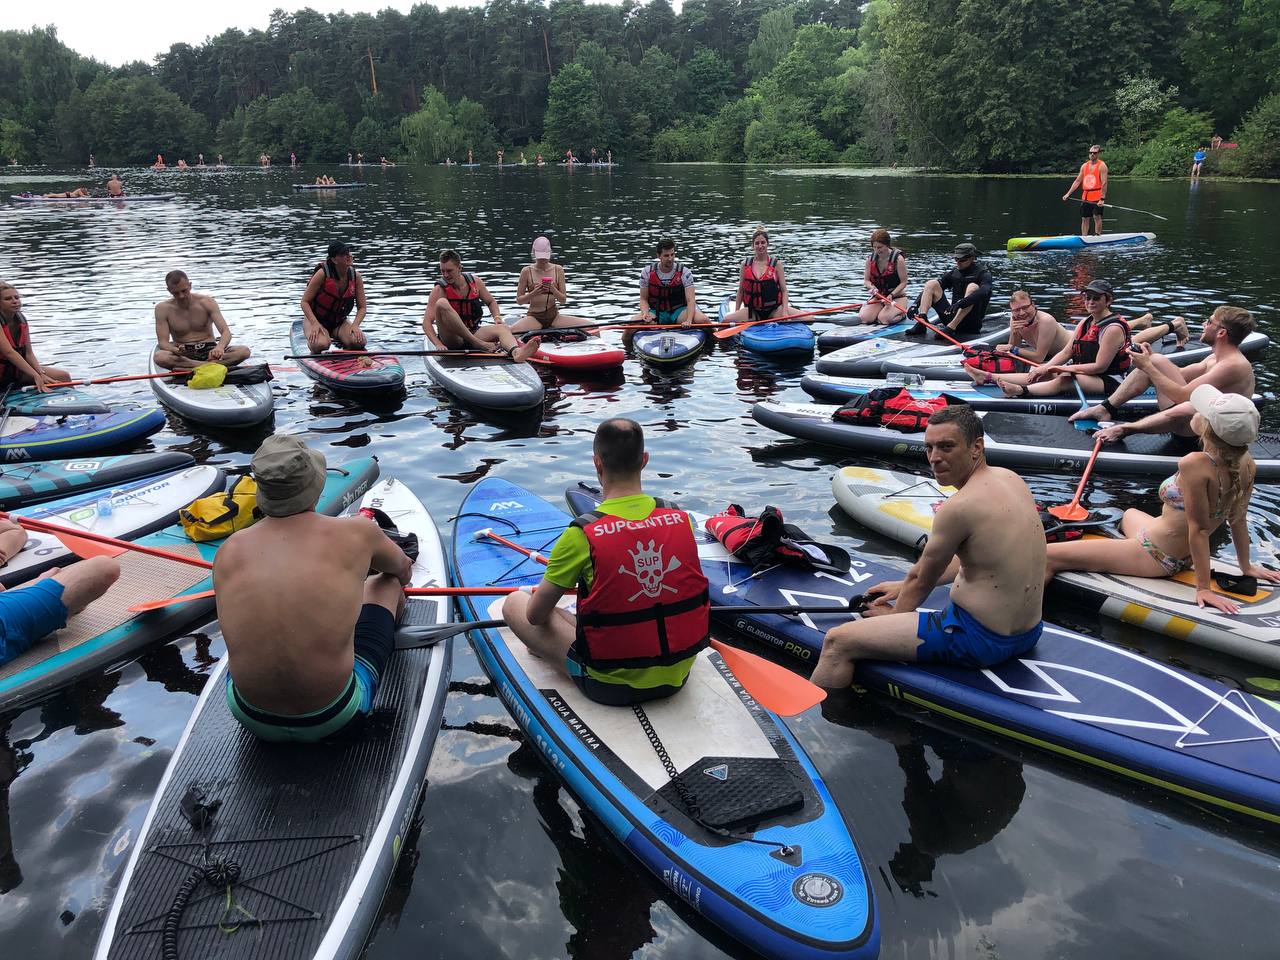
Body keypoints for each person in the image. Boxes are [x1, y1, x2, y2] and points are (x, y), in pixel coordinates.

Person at [811, 405, 1045, 688]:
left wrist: (894, 618)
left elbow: (921, 580)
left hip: (976, 640)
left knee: (837, 641)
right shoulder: (1011, 479)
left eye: (946, 447)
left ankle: (825, 721)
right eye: (929, 448)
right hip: (1029, 633)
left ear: (977, 446)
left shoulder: (959, 507)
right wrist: (901, 586)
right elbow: (983, 558)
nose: (934, 458)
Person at [215, 436, 414, 742]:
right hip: (334, 717)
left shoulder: (229, 549)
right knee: (385, 584)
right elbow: (402, 570)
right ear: (316, 486)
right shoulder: (358, 532)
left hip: (248, 714)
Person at [502, 418, 710, 705]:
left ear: (597, 463)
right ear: (645, 460)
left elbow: (535, 617)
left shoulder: (581, 534)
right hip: (679, 673)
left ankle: (556, 656)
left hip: (608, 685)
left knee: (515, 602)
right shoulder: (678, 517)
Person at [1047, 386, 1279, 612]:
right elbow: (1237, 520)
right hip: (1180, 551)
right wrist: (1246, 566)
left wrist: (1203, 589)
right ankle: (1110, 548)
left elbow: (1197, 529)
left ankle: (1020, 626)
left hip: (1155, 555)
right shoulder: (1247, 462)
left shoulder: (1194, 463)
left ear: (1208, 428)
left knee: (1047, 557)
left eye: (1201, 412)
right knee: (1128, 514)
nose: (1194, 411)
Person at [1073, 305, 1258, 443]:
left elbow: (1183, 395)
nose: (1204, 324)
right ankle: (1105, 409)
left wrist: (1148, 367)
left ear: (1222, 333)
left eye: (1209, 322)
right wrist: (1150, 359)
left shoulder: (1232, 365)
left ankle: (1125, 429)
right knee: (1158, 361)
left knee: (1186, 406)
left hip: (1207, 433)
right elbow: (1181, 374)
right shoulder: (1214, 358)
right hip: (1194, 419)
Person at [994, 279, 1132, 400]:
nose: (1090, 302)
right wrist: (1047, 368)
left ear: (1108, 300)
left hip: (1110, 379)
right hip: (1088, 374)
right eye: (1088, 297)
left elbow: (1100, 367)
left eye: (1096, 298)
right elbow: (1066, 353)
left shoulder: (1112, 329)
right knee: (1041, 373)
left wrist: (1064, 368)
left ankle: (1021, 391)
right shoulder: (1084, 322)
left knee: (1064, 379)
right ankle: (989, 377)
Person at [0, 555, 120, 667]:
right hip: (10, 616)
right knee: (104, 566)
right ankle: (42, 591)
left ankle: (41, 590)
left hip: (11, 612)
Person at [423, 249, 540, 360]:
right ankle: (479, 344)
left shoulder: (475, 283)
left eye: (449, 271)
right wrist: (438, 343)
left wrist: (497, 317)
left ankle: (516, 352)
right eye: (442, 271)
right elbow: (426, 323)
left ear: (459, 268)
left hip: (474, 332)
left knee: (503, 328)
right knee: (441, 303)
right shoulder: (439, 290)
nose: (445, 275)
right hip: (453, 339)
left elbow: (491, 301)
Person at [962, 290, 1072, 383]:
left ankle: (988, 378)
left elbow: (1038, 358)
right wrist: (1014, 332)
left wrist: (1012, 348)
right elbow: (1012, 351)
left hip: (1070, 354)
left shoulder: (1045, 321)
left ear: (1033, 305)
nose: (1022, 313)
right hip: (1049, 355)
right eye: (1016, 310)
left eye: (1025, 307)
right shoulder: (1015, 319)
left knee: (1038, 374)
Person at [153, 270, 252, 370]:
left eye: (184, 291)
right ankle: (211, 366)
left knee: (244, 351)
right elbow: (163, 343)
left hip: (210, 351)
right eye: (176, 293)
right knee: (160, 357)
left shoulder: (207, 302)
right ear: (169, 290)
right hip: (184, 354)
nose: (181, 296)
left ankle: (193, 367)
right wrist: (175, 350)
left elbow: (226, 332)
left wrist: (220, 347)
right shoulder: (162, 309)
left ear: (190, 286)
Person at [906, 242, 992, 338]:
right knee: (932, 283)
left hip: (971, 323)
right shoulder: (954, 273)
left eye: (962, 259)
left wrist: (961, 303)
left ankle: (951, 328)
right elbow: (932, 289)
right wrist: (915, 305)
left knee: (973, 287)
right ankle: (922, 323)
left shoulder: (983, 274)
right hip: (950, 316)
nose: (958, 262)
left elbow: (985, 291)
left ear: (972, 258)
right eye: (956, 259)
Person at [0, 282, 71, 392]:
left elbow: (28, 353)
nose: (14, 301)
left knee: (63, 376)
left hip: (15, 371)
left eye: (16, 297)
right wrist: (35, 375)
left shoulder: (21, 320)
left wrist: (40, 373)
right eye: (8, 299)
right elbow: (9, 353)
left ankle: (75, 405)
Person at [511, 236, 589, 333]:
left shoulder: (558, 269)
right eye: (540, 257)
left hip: (554, 317)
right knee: (512, 331)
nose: (543, 260)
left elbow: (563, 300)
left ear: (550, 253)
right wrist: (533, 293)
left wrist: (553, 289)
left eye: (545, 257)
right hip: (534, 317)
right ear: (534, 254)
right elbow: (519, 301)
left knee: (591, 326)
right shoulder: (526, 271)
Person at [301, 241, 368, 352]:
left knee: (358, 342)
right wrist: (315, 323)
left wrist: (355, 325)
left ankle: (340, 338)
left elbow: (362, 308)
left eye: (348, 252)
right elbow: (304, 302)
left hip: (339, 322)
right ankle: (316, 340)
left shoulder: (356, 277)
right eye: (343, 254)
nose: (348, 256)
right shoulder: (322, 274)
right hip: (316, 320)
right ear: (334, 260)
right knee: (320, 345)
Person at [720, 228, 792, 325]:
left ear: (767, 244)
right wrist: (737, 312)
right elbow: (741, 290)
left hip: (774, 311)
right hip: (752, 312)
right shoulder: (745, 264)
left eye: (763, 242)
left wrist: (785, 311)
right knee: (726, 320)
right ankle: (716, 338)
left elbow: (784, 290)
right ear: (753, 246)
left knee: (809, 317)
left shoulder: (776, 264)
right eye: (757, 243)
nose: (760, 246)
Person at [632, 238, 709, 327]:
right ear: (659, 256)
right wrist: (645, 314)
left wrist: (689, 320)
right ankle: (626, 340)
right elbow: (643, 299)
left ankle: (716, 338)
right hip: (657, 313)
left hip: (679, 312)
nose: (670, 258)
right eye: (666, 255)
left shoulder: (685, 272)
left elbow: (690, 300)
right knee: (632, 324)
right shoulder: (647, 272)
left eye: (672, 254)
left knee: (703, 320)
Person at [857, 228, 908, 324]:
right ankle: (878, 312)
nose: (876, 250)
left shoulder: (898, 259)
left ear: (887, 245)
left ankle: (901, 314)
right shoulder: (870, 259)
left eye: (879, 247)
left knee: (884, 319)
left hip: (897, 297)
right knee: (864, 318)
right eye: (874, 247)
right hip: (879, 297)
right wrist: (872, 288)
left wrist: (891, 295)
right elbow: (867, 281)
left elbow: (904, 282)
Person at [1064, 144, 1108, 236]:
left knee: (1097, 216)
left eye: (1094, 153)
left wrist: (1102, 199)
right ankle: (1084, 237)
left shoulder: (1102, 166)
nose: (1092, 154)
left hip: (1097, 195)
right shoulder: (1084, 166)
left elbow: (1104, 183)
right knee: (1085, 218)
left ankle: (1097, 235)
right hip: (1086, 196)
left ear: (1098, 154)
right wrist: (1068, 194)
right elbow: (1077, 181)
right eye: (1090, 153)